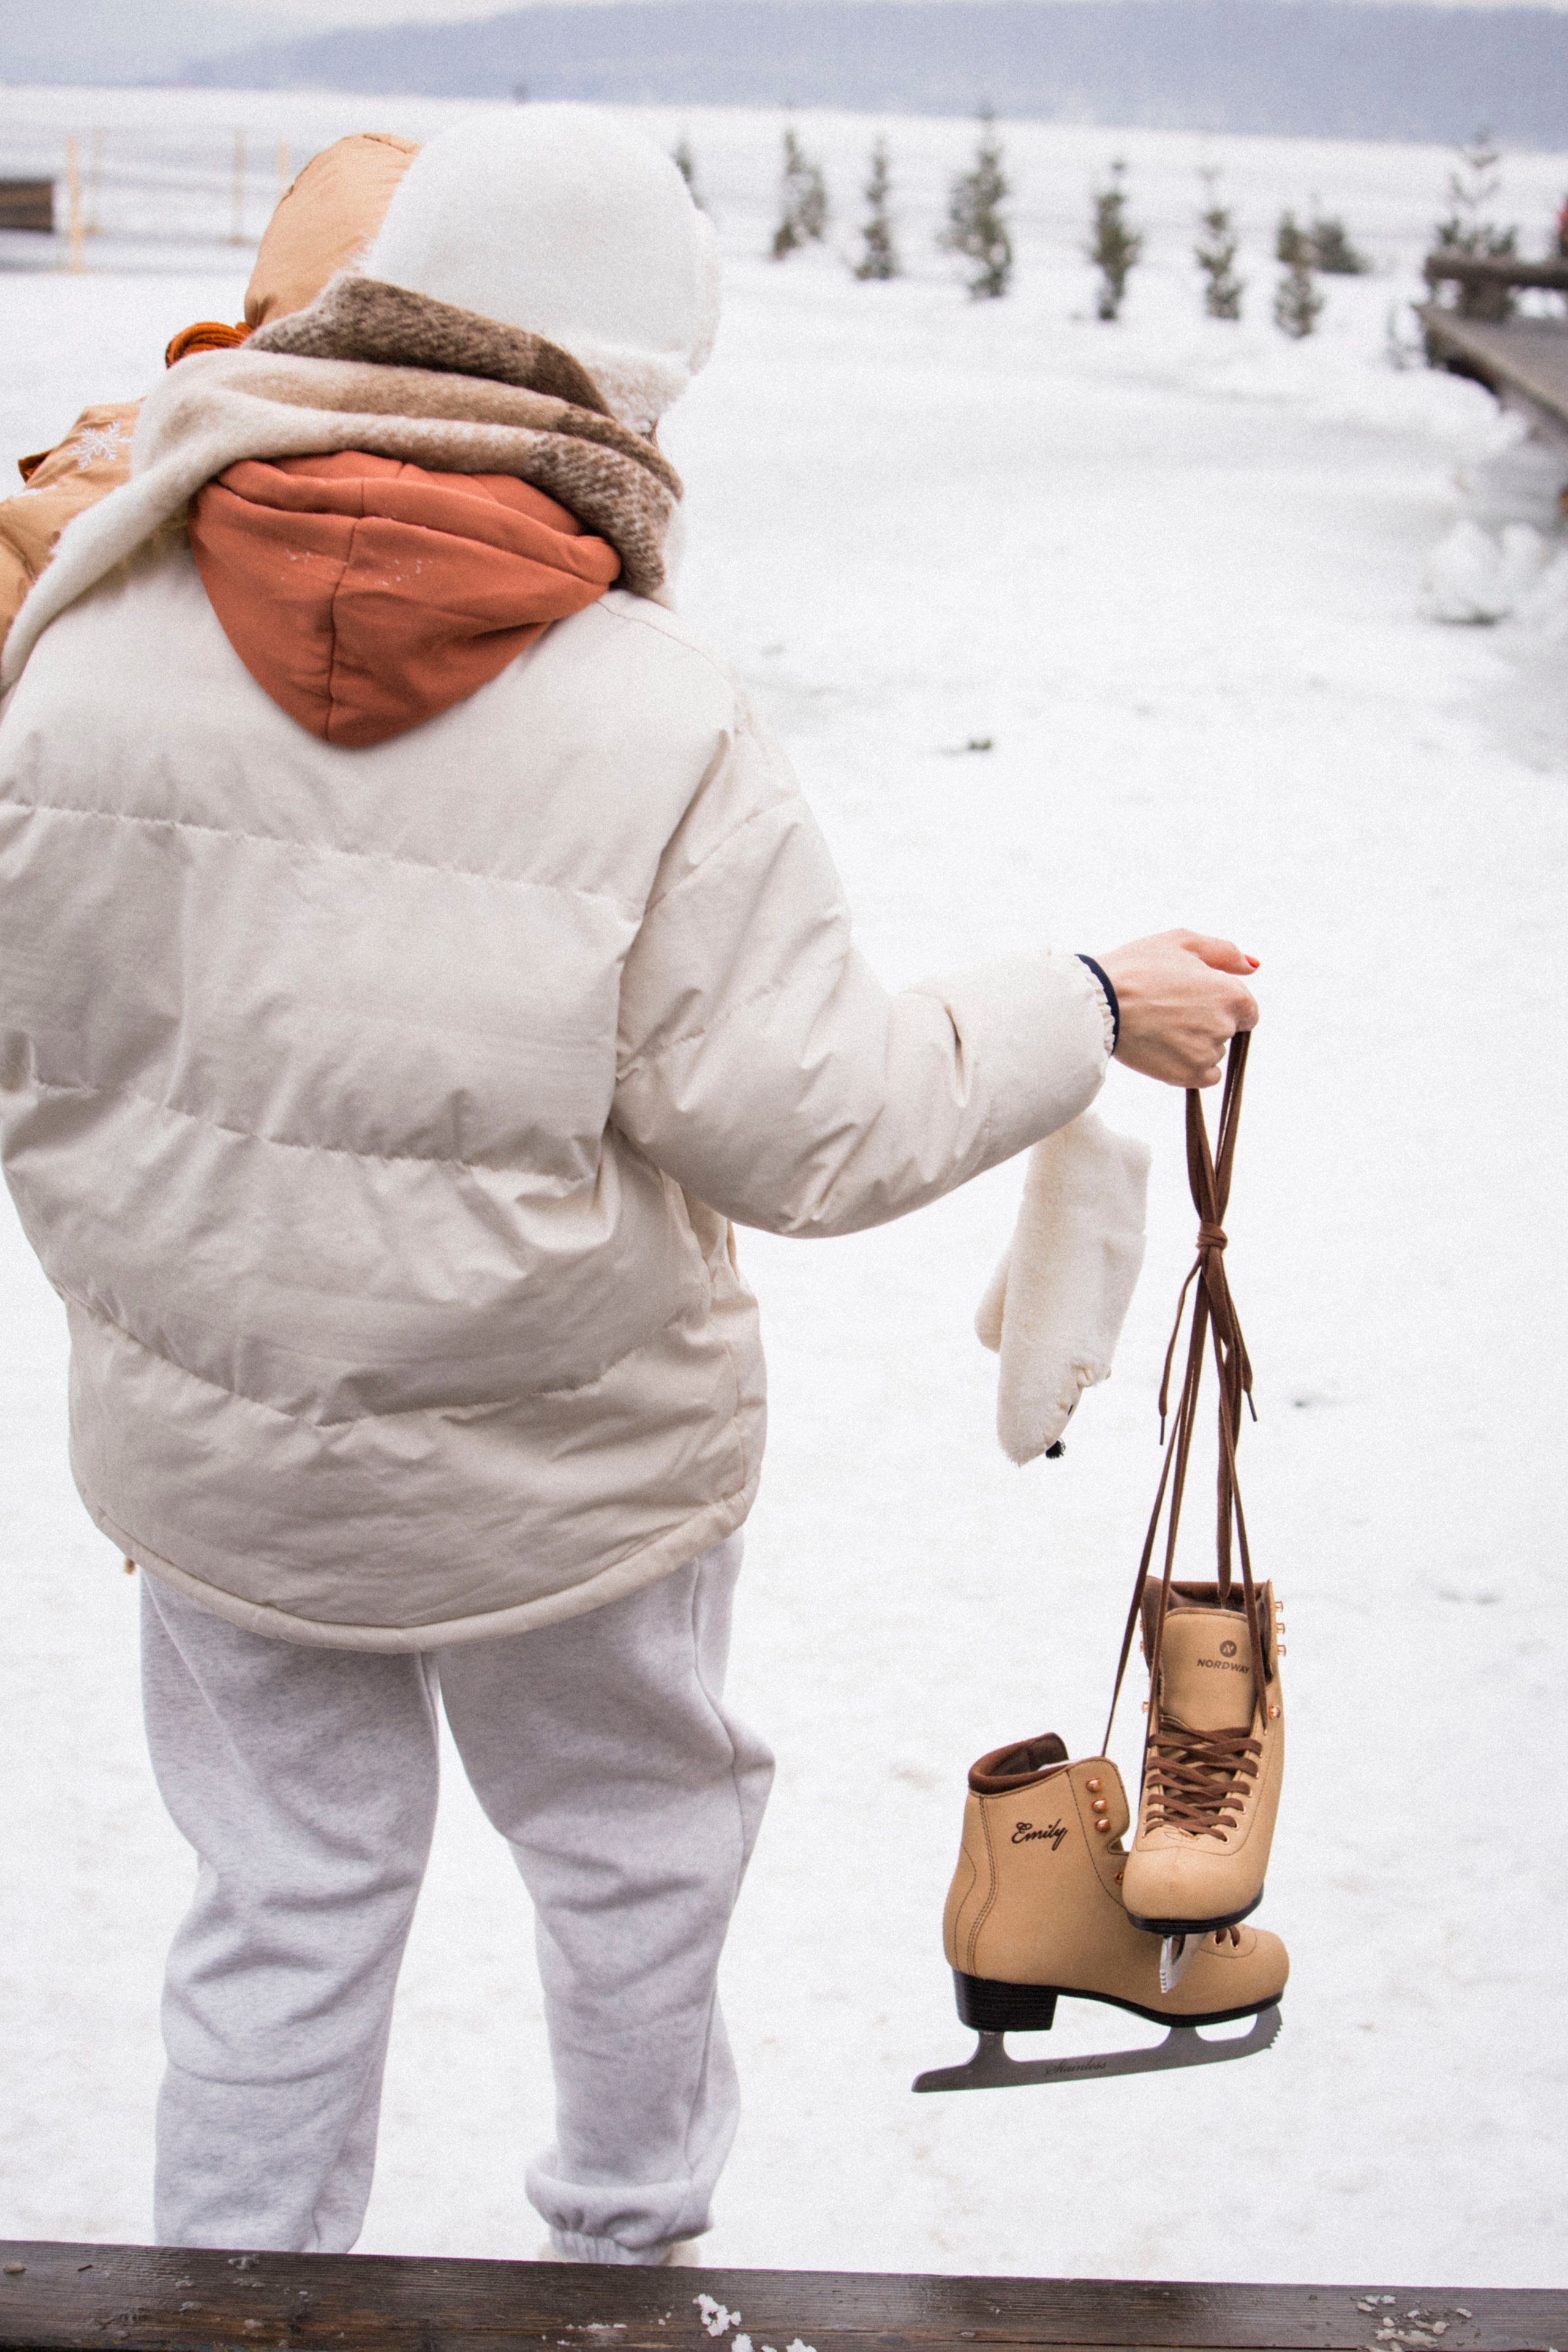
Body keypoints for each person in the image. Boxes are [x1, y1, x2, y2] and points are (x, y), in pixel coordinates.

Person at [0, 107, 1257, 2264]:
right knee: (635, 1855)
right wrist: (1078, 1001)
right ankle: (623, 2259)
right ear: (629, 388)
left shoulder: (81, 628)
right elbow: (812, 1124)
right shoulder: (651, 709)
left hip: (211, 1460)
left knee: (281, 1901)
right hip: (573, 1474)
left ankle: (236, 2301)